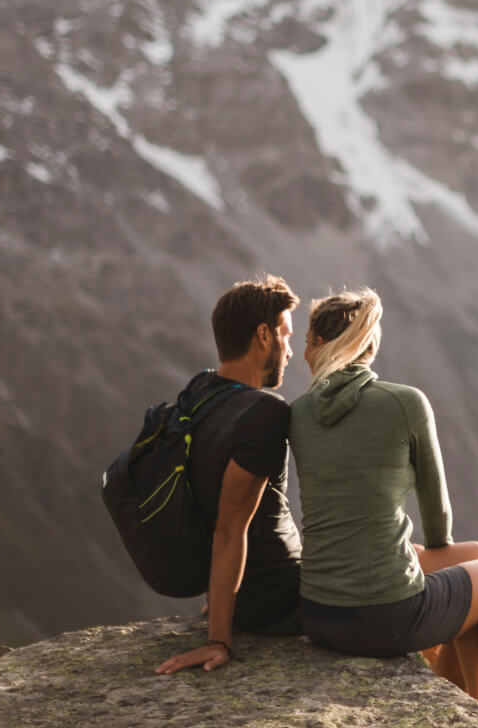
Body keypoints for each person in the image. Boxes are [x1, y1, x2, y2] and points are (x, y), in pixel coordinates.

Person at [290, 288, 478, 727]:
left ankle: (460, 704)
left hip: (319, 612)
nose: (302, 349)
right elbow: (437, 513)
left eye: (308, 339)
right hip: (384, 618)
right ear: (369, 343)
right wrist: (435, 548)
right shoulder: (404, 403)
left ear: (320, 347)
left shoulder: (300, 414)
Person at [156, 275, 305, 675]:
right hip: (285, 600)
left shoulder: (198, 394)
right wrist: (218, 641)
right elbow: (230, 529)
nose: (290, 351)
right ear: (263, 335)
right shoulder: (264, 413)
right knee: (475, 567)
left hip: (247, 597)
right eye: (286, 336)